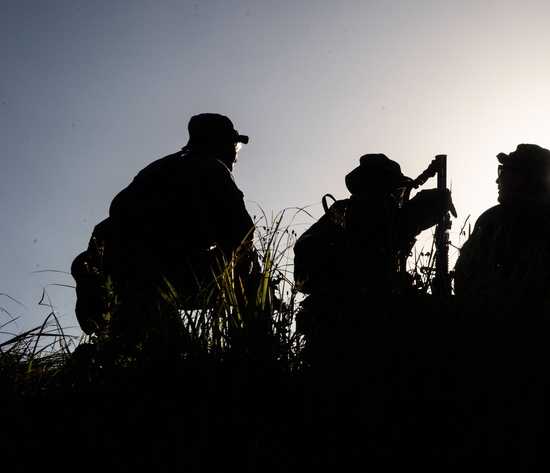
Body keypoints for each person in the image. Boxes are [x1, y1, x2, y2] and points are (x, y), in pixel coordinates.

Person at [71, 113, 259, 346]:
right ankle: (256, 348)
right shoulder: (209, 167)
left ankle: (118, 343)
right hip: (161, 273)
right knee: (249, 265)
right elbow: (241, 235)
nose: (236, 155)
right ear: (219, 143)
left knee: (138, 343)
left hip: (121, 277)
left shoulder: (160, 168)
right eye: (234, 146)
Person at [293, 153, 453, 363]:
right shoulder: (373, 202)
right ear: (386, 182)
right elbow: (386, 234)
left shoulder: (345, 209)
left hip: (333, 326)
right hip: (357, 325)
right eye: (398, 189)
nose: (399, 195)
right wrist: (424, 207)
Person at [453, 144, 550, 307]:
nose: (497, 180)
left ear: (521, 176)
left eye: (502, 171)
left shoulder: (500, 218)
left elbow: (466, 277)